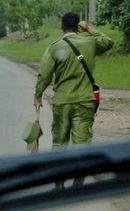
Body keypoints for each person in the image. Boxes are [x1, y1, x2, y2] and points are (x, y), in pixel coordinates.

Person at [33, 12, 114, 188]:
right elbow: (108, 42)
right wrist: (89, 28)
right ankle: (78, 182)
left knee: (59, 142)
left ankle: (59, 183)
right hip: (84, 101)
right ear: (78, 26)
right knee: (82, 143)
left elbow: (44, 76)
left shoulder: (54, 48)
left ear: (61, 26)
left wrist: (38, 95)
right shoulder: (89, 43)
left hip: (62, 102)